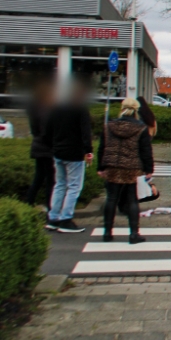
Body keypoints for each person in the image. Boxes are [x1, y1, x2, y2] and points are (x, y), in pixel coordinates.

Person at [97, 98, 154, 244]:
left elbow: (102, 147)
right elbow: (145, 150)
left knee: (111, 199)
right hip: (132, 167)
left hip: (112, 166)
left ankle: (107, 232)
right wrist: (148, 169)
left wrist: (100, 167)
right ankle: (134, 234)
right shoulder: (141, 128)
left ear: (122, 108)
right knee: (132, 200)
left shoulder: (109, 125)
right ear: (136, 110)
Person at [42, 81, 93, 233]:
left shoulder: (56, 108)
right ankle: (66, 219)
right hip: (74, 153)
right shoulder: (80, 109)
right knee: (74, 186)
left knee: (59, 185)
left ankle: (53, 218)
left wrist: (53, 146)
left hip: (58, 152)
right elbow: (85, 131)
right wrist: (88, 151)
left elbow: (47, 131)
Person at [25, 82, 55, 209]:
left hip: (37, 146)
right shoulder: (45, 111)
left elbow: (35, 131)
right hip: (46, 149)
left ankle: (28, 203)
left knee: (39, 177)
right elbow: (46, 131)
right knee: (50, 179)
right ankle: (49, 206)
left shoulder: (35, 109)